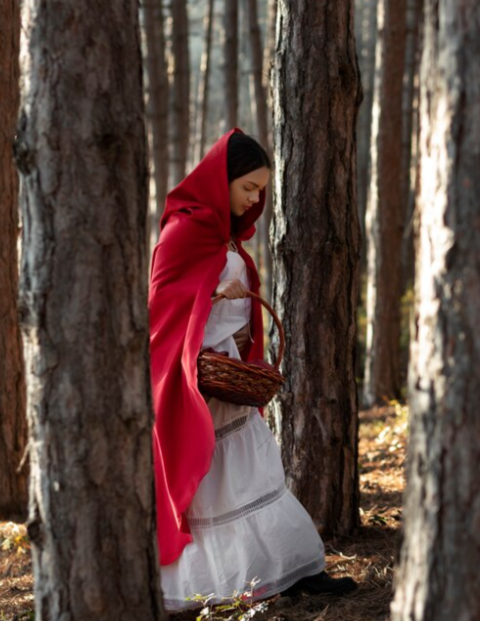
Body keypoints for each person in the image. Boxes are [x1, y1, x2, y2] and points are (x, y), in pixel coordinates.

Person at [148, 129, 357, 611]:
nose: (255, 198)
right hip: (198, 387)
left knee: (257, 475)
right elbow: (163, 311)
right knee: (217, 484)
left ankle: (295, 567)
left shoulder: (223, 238)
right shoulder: (182, 233)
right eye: (247, 187)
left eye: (261, 189)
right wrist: (216, 300)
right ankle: (219, 585)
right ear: (220, 181)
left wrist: (240, 339)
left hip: (231, 379)